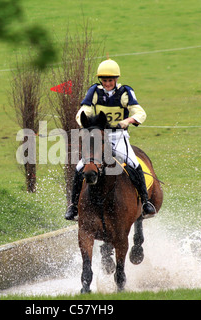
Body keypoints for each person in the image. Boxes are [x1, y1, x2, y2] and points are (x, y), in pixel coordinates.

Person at [64, 58, 157, 221]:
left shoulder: (125, 92)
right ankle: (73, 206)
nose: (107, 83)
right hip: (99, 135)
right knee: (81, 167)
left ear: (116, 79)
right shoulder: (94, 91)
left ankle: (145, 202)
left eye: (110, 80)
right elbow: (83, 110)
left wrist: (127, 121)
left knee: (134, 164)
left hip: (118, 136)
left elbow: (140, 113)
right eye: (105, 80)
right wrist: (85, 124)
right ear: (101, 80)